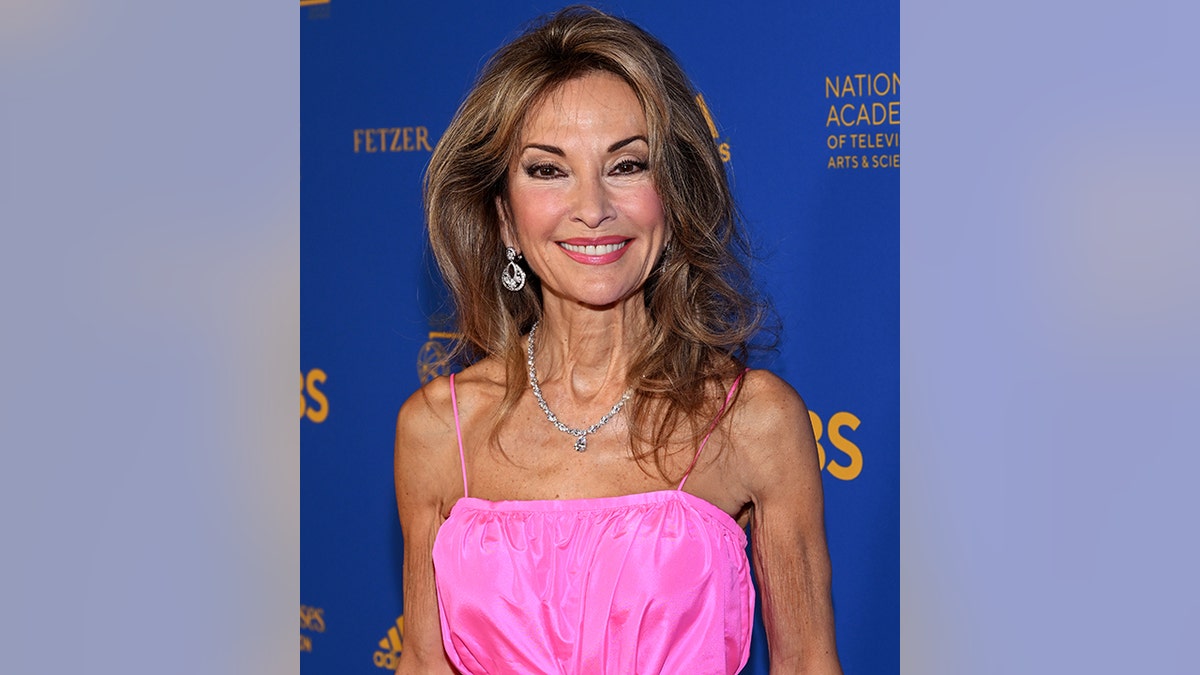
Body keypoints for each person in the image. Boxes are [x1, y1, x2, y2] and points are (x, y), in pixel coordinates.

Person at [394, 6, 840, 674]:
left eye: (627, 165)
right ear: (504, 218)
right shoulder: (437, 429)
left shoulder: (755, 420)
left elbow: (808, 662)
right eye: (549, 170)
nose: (594, 206)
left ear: (673, 194)